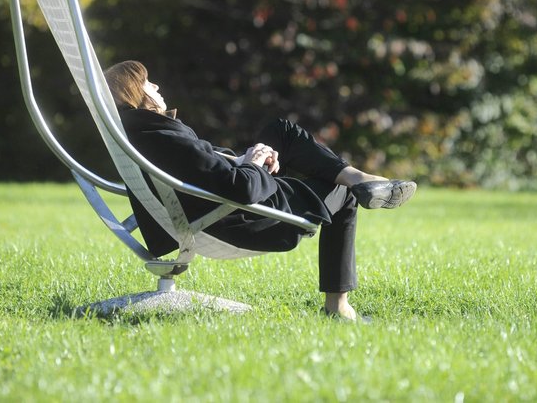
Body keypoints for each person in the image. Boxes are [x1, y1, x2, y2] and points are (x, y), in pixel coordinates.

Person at [104, 60, 416, 321]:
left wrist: (242, 158)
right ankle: (338, 306)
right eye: (148, 84)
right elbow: (239, 189)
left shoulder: (142, 131)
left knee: (282, 132)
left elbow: (203, 168)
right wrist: (252, 166)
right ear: (135, 94)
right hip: (243, 219)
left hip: (219, 203)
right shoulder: (160, 135)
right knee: (343, 194)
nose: (156, 87)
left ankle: (361, 178)